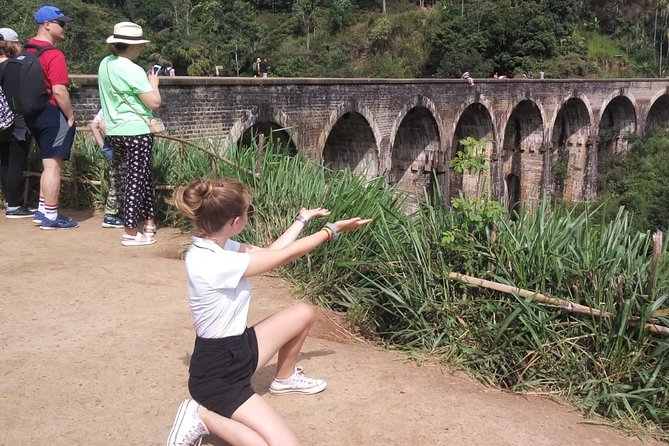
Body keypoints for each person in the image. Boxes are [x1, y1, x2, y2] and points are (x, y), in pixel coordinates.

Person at [166, 177, 372, 446]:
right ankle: (201, 416)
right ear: (235, 222)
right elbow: (282, 258)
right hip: (218, 376)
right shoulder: (215, 262)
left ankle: (285, 379)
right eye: (247, 212)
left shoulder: (215, 245)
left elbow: (273, 251)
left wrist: (301, 219)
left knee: (302, 312)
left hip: (237, 349)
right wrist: (330, 230)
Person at [98, 22, 161, 246]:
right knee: (136, 180)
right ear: (133, 46)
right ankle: (131, 232)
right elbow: (154, 102)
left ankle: (149, 224)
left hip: (115, 131)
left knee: (141, 176)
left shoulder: (105, 64)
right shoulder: (132, 69)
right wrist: (154, 83)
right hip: (136, 131)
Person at [25, 5, 78, 229]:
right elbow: (59, 90)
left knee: (47, 164)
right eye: (61, 23)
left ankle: (42, 210)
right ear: (47, 25)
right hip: (52, 113)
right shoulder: (54, 54)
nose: (65, 28)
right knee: (53, 166)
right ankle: (52, 217)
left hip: (32, 113)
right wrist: (70, 117)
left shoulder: (25, 50)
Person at [0, 27, 33, 219]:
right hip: (15, 121)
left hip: (1, 121)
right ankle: (14, 206)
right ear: (12, 44)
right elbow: (17, 96)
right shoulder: (11, 66)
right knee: (15, 163)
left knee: (4, 161)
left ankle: (8, 201)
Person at [89, 109, 125, 228]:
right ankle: (111, 215)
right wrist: (103, 145)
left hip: (110, 146)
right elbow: (97, 126)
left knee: (119, 179)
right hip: (116, 147)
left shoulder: (106, 106)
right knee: (118, 181)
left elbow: (94, 126)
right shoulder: (113, 108)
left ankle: (120, 212)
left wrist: (103, 146)